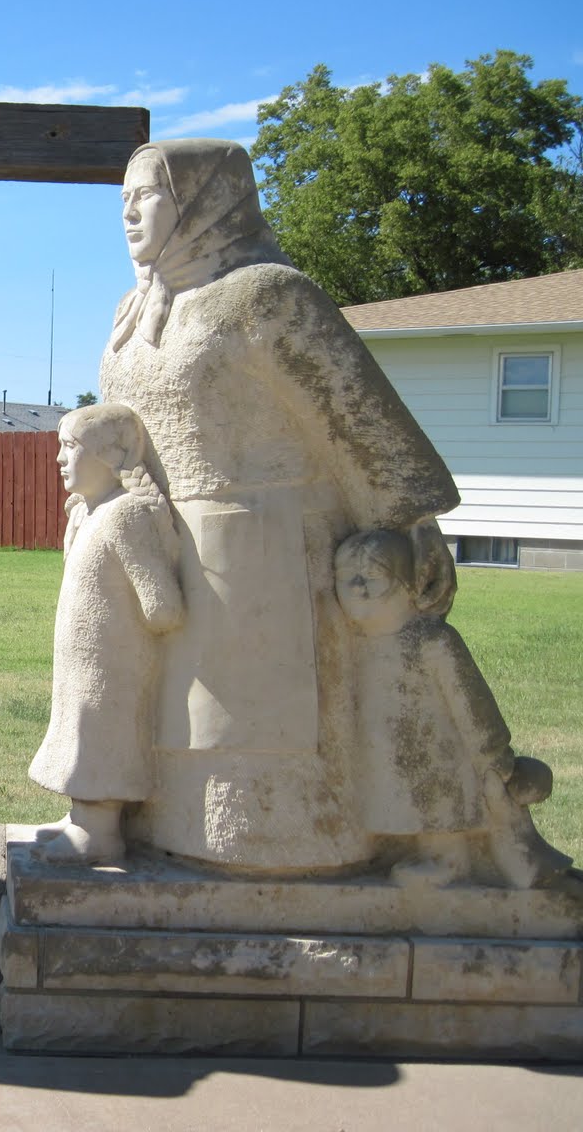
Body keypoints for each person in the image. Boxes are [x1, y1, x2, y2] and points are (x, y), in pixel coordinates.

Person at [99, 139, 461, 871]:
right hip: (168, 555)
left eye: (149, 194)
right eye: (124, 201)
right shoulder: (133, 313)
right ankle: (161, 832)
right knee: (176, 734)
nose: (132, 213)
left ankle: (285, 860)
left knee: (261, 741)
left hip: (274, 555)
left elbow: (363, 423)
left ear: (205, 199)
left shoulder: (268, 295)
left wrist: (413, 525)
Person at [335, 530, 574, 887]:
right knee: (402, 799)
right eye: (346, 578)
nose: (357, 587)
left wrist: (492, 751)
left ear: (408, 587)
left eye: (372, 577)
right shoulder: (354, 645)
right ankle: (423, 852)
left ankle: (449, 859)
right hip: (387, 748)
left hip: (438, 752)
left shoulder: (432, 643)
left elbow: (470, 699)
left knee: (436, 802)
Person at [30, 403, 183, 864]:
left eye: (71, 447)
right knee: (79, 732)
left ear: (111, 456)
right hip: (84, 661)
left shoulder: (125, 516)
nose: (59, 458)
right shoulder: (94, 513)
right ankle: (82, 817)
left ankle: (101, 833)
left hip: (113, 662)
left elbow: (162, 606)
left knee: (103, 734)